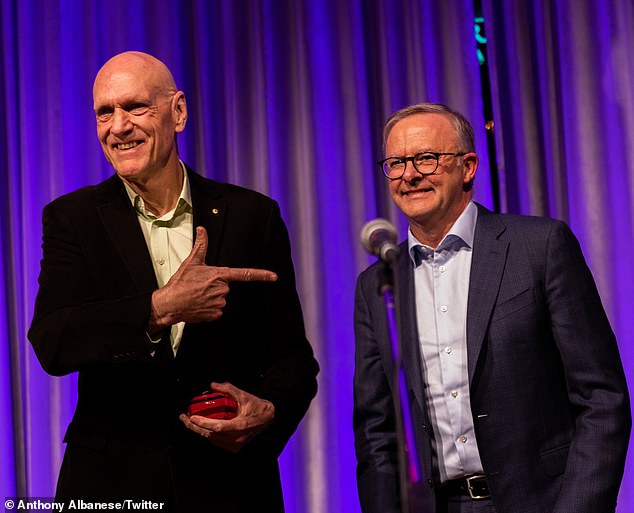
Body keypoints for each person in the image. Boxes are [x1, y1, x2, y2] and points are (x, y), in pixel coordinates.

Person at [29, 51, 318, 512]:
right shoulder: (73, 219)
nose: (118, 126)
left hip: (230, 486)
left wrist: (269, 411)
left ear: (178, 112)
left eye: (135, 107)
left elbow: (292, 360)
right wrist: (159, 308)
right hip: (112, 484)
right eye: (105, 112)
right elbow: (53, 340)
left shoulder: (251, 217)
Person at [353, 103, 631, 513]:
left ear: (468, 167)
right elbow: (377, 432)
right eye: (396, 163)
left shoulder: (540, 247)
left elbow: (602, 399)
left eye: (426, 159)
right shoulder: (379, 284)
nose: (409, 174)